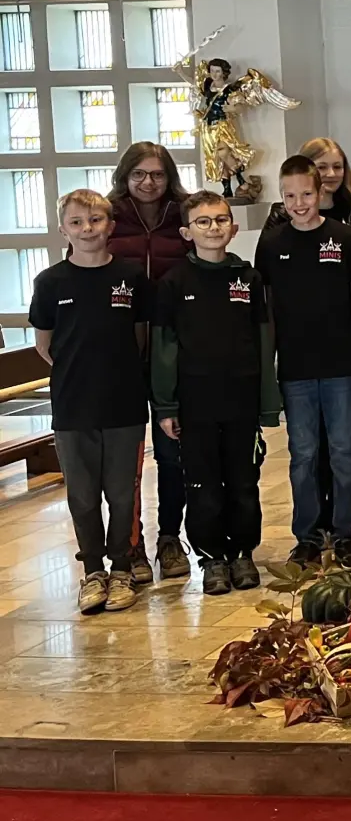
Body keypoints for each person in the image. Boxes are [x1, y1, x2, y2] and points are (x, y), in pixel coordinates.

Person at [151, 191, 281, 594]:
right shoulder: (174, 283)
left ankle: (242, 552)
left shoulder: (248, 278)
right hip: (195, 404)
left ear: (234, 227)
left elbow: (264, 343)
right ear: (187, 232)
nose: (213, 228)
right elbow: (164, 348)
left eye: (221, 220)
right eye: (203, 222)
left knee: (243, 481)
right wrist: (167, 404)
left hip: (240, 399)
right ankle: (211, 558)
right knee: (203, 485)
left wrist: (266, 404)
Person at [29, 190, 149, 613]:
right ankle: (93, 570)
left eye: (95, 220)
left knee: (121, 494)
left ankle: (121, 568)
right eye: (77, 222)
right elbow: (46, 346)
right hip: (72, 408)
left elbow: (139, 337)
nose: (87, 229)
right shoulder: (50, 283)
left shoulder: (131, 277)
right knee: (81, 496)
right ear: (63, 229)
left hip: (123, 406)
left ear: (110, 226)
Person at [255, 156, 351, 567]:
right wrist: (267, 367)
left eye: (306, 194)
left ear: (321, 191)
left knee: (344, 451)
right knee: (303, 454)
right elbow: (266, 312)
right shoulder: (272, 244)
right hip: (295, 370)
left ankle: (345, 533)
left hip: (343, 365)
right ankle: (307, 536)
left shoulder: (343, 237)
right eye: (289, 196)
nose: (299, 203)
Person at [105, 142, 191, 584]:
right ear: (125, 175)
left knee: (174, 452)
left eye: (157, 174)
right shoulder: (110, 217)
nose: (148, 182)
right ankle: (131, 546)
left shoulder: (183, 214)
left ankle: (170, 540)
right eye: (139, 174)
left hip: (173, 347)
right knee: (128, 457)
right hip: (123, 347)